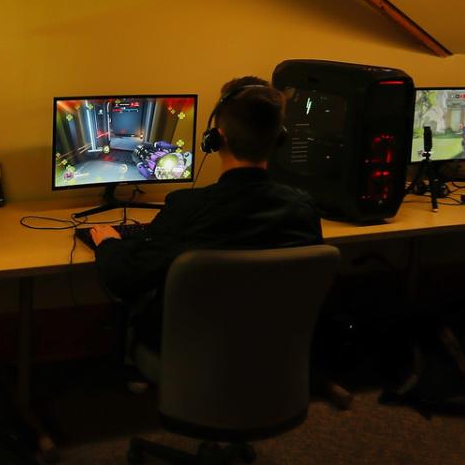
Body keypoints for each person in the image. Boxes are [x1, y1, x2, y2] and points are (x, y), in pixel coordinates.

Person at [88, 76, 323, 386]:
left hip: (189, 359)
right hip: (271, 358)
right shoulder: (302, 209)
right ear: (279, 138)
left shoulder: (188, 207)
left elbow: (126, 277)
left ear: (215, 138)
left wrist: (109, 243)